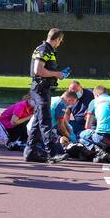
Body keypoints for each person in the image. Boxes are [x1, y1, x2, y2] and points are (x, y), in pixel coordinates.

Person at [25, 28, 70, 163]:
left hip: (42, 89)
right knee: (46, 120)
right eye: (60, 41)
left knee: (38, 122)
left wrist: (57, 73)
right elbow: (38, 70)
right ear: (56, 39)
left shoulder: (46, 49)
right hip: (41, 90)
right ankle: (52, 153)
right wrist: (57, 74)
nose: (59, 44)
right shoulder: (45, 49)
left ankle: (30, 152)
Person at [77, 85, 110, 163]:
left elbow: (87, 126)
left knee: (82, 135)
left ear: (96, 95)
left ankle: (99, 151)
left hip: (102, 137)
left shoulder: (95, 101)